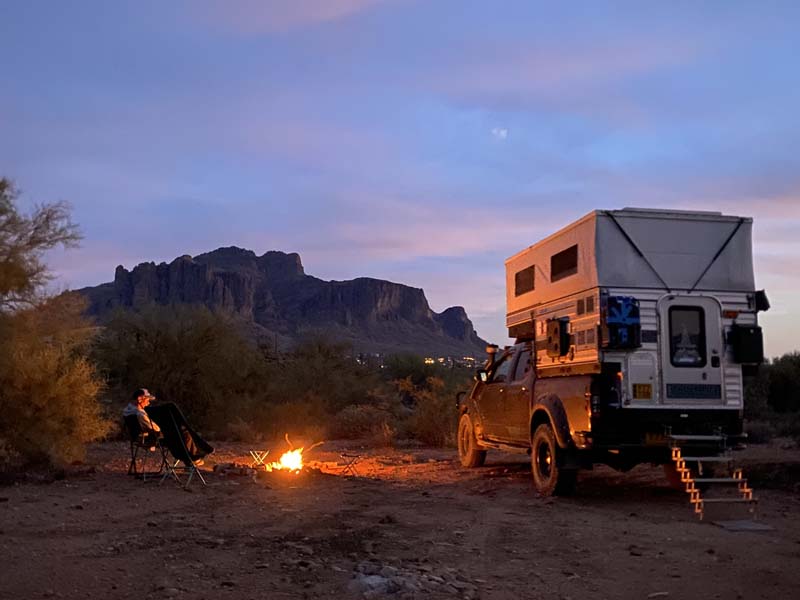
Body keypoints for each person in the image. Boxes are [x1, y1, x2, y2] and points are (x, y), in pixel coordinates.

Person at [122, 388, 212, 467]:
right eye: (147, 399)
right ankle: (192, 459)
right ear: (140, 399)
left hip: (138, 438)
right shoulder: (140, 413)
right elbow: (155, 429)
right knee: (183, 433)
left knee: (180, 432)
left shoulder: (127, 410)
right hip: (149, 439)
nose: (148, 402)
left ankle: (190, 460)